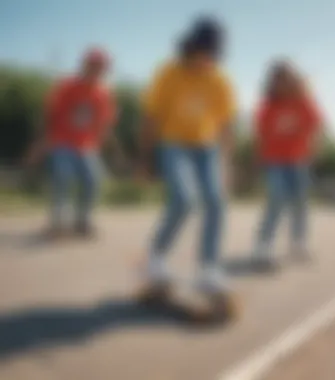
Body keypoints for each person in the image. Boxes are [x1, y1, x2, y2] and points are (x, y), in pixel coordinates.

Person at [139, 17, 236, 298]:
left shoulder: (219, 79)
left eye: (213, 55)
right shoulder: (168, 73)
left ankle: (208, 270)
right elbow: (150, 117)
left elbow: (226, 126)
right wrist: (145, 159)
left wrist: (227, 164)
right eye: (204, 53)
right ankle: (156, 257)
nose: (207, 60)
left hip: (207, 148)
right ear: (191, 47)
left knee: (216, 201)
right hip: (173, 143)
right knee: (184, 200)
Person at [25, 48, 117, 238]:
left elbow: (103, 122)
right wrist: (40, 143)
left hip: (86, 145)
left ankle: (82, 221)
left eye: (101, 67)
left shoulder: (103, 93)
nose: (97, 70)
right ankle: (57, 222)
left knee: (94, 179)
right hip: (62, 141)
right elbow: (50, 115)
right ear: (85, 65)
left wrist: (102, 144)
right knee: (63, 177)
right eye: (93, 66)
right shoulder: (67, 86)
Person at [252, 60, 323, 267]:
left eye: (285, 80)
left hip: (299, 159)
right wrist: (258, 159)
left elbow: (315, 127)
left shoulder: (304, 102)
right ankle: (264, 244)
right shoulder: (267, 106)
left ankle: (298, 242)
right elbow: (261, 134)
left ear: (292, 81)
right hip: (274, 159)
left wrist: (315, 151)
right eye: (277, 81)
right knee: (277, 196)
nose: (281, 85)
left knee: (301, 200)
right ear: (273, 83)